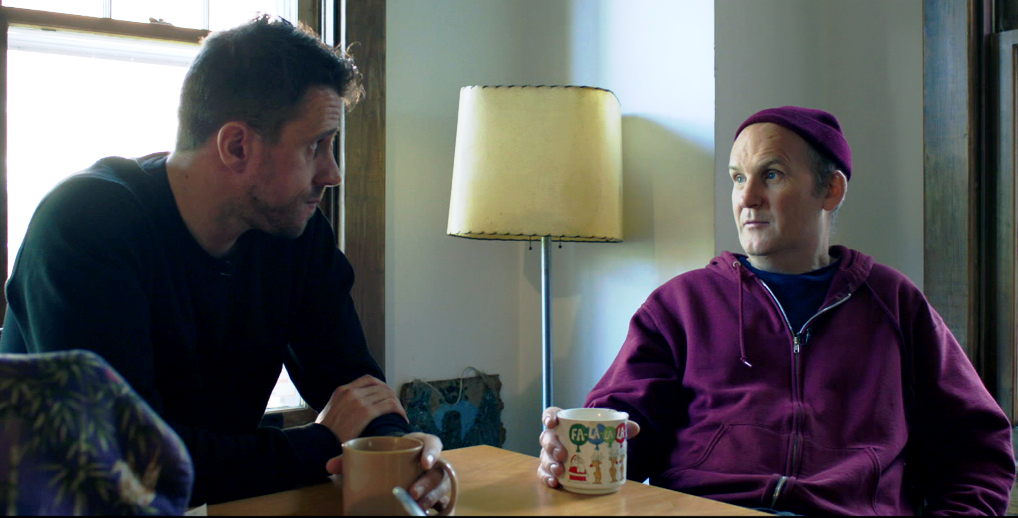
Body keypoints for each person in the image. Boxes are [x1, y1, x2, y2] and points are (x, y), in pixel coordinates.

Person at [0, 16, 451, 510]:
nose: (333, 173)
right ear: (237, 146)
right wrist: (320, 443)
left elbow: (356, 387)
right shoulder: (86, 226)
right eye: (315, 146)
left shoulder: (291, 230)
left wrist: (406, 453)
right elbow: (131, 463)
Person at [537, 106, 1016, 515]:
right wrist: (569, 449)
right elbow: (624, 428)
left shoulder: (894, 304)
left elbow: (978, 449)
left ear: (830, 190)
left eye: (771, 174)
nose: (747, 198)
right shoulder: (680, 305)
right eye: (737, 178)